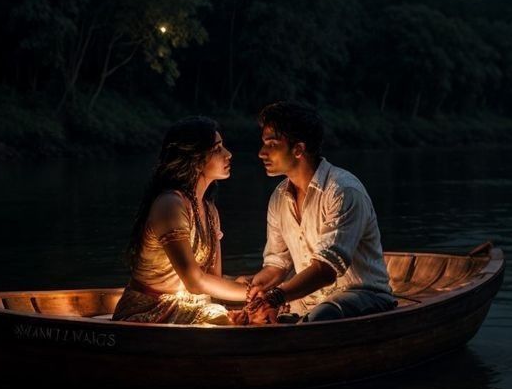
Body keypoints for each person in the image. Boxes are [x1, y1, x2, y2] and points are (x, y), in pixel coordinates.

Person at [245, 101, 396, 323]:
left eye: (272, 144)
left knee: (323, 315)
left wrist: (277, 296)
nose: (261, 153)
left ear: (298, 149)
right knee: (258, 316)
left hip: (362, 295)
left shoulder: (343, 190)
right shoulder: (279, 197)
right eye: (263, 144)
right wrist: (259, 287)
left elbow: (326, 269)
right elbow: (278, 263)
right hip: (308, 300)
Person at [112, 117, 249, 324]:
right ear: (195, 158)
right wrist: (247, 293)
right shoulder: (170, 204)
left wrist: (252, 288)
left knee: (254, 314)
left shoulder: (210, 211)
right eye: (217, 149)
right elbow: (195, 282)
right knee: (224, 319)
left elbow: (213, 280)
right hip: (150, 312)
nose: (228, 154)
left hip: (195, 307)